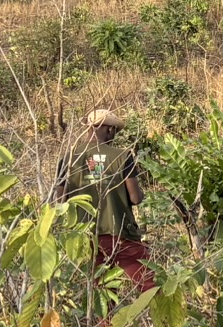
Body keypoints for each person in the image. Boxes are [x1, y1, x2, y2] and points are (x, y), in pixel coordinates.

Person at [60, 108, 155, 294]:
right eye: (115, 132)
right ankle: (165, 322)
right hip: (119, 232)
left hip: (85, 237)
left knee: (102, 293)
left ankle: (105, 324)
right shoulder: (122, 155)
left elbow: (60, 202)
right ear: (110, 129)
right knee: (149, 284)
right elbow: (136, 198)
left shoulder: (68, 158)